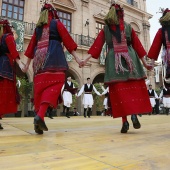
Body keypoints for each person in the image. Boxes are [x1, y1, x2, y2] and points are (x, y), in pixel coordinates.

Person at [82, 3, 152, 133]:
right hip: (130, 59)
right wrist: (145, 63)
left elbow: (97, 45)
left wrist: (84, 60)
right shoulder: (128, 27)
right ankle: (134, 115)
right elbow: (137, 46)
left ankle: (124, 121)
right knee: (132, 90)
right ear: (122, 14)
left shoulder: (106, 29)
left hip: (114, 61)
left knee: (120, 93)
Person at [24, 3, 82, 134]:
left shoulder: (38, 29)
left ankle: (38, 121)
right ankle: (40, 116)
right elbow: (67, 41)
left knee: (40, 89)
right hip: (54, 57)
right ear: (53, 13)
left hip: (39, 61)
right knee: (55, 85)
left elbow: (31, 46)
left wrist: (27, 64)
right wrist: (78, 59)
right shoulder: (57, 23)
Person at [0, 19, 25, 130]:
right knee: (3, 93)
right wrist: (20, 64)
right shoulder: (8, 37)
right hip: (5, 66)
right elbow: (13, 52)